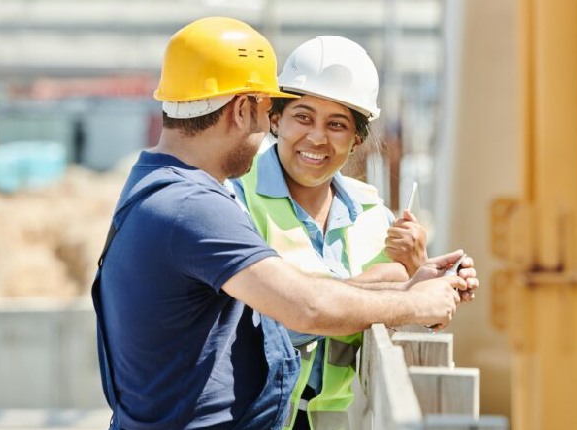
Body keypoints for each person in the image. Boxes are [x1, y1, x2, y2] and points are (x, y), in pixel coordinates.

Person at [91, 17, 475, 430]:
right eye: (266, 111)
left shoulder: (163, 188)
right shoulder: (194, 206)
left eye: (336, 124)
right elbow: (303, 307)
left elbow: (284, 301)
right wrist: (415, 303)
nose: (265, 130)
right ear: (242, 110)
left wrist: (403, 284)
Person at [231, 36, 476, 430]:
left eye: (337, 124)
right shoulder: (237, 199)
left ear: (357, 138)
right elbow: (273, 317)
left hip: (330, 420)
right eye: (303, 117)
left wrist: (421, 275)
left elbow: (391, 317)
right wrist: (383, 287)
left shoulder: (372, 214)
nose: (317, 137)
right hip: (252, 416)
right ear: (275, 119)